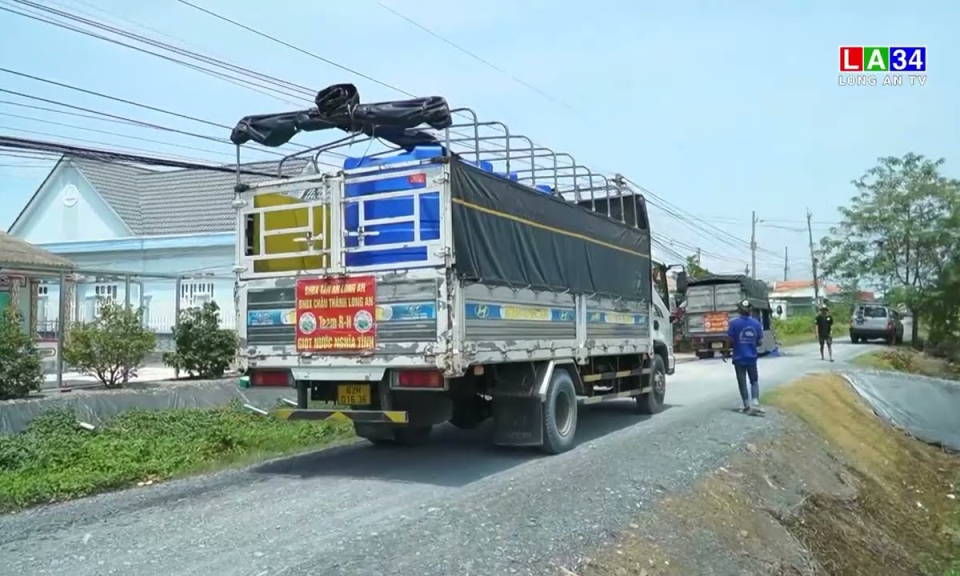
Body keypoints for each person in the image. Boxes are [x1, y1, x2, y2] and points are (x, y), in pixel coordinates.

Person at [726, 300, 764, 413]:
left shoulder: (733, 324)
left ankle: (746, 404)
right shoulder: (757, 324)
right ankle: (755, 402)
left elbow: (729, 340)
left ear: (740, 311)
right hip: (751, 357)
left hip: (738, 358)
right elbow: (760, 341)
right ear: (750, 310)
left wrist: (725, 352)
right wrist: (753, 344)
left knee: (742, 382)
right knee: (754, 380)